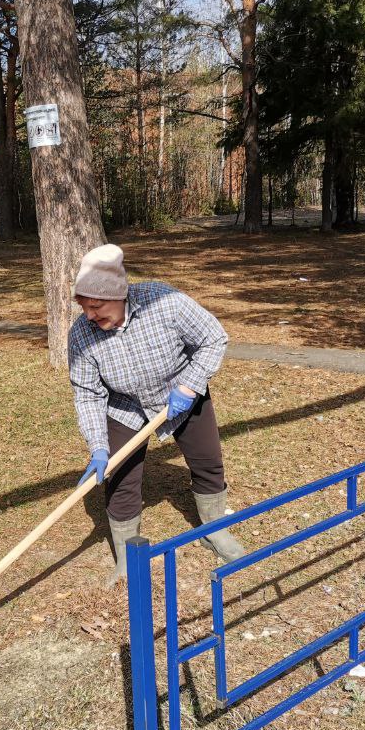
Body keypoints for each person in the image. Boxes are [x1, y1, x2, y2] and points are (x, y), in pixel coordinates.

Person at [67, 243, 246, 586]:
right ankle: (127, 557)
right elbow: (88, 395)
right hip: (125, 407)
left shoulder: (165, 302)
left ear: (119, 294)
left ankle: (215, 529)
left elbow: (214, 337)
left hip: (181, 394)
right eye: (83, 307)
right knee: (120, 482)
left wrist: (190, 386)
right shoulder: (81, 335)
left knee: (207, 461)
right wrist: (99, 447)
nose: (89, 316)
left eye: (96, 306)